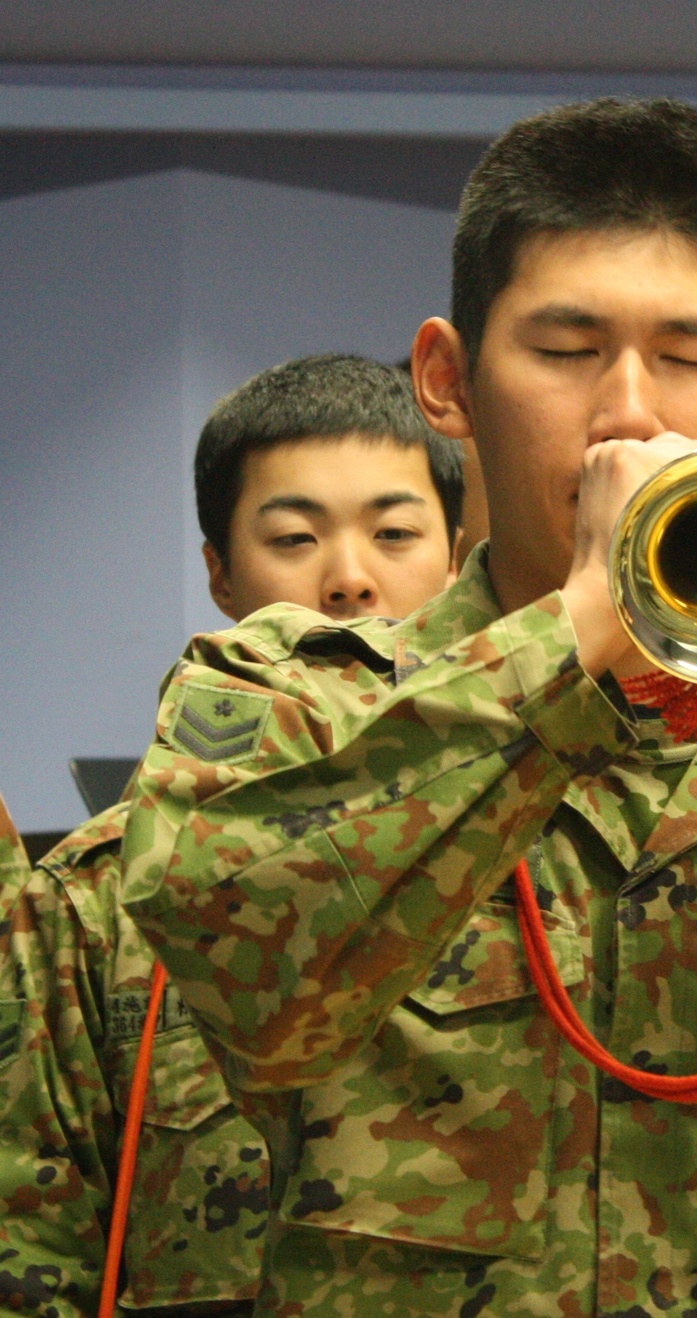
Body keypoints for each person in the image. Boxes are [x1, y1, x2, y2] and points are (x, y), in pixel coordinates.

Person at [122, 101, 697, 1318]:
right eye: (565, 348)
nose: (631, 412)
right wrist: (586, 625)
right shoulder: (296, 701)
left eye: (690, 358)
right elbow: (244, 979)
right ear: (447, 382)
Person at [0, 354, 463, 1318]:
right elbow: (33, 1242)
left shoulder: (542, 838)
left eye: (395, 534)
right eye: (293, 538)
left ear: (457, 558)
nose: (349, 580)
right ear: (219, 572)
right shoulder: (99, 901)